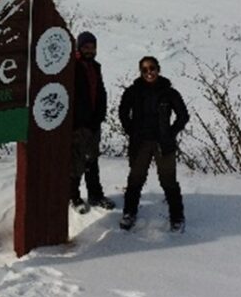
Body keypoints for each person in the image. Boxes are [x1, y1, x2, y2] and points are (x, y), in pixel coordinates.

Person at [117, 56, 189, 232]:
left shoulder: (169, 92)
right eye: (145, 70)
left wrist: (170, 134)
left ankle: (177, 216)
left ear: (158, 69)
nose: (149, 73)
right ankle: (129, 213)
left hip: (163, 144)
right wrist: (131, 131)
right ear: (141, 72)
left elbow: (183, 116)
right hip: (140, 143)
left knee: (168, 180)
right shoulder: (133, 92)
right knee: (135, 179)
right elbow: (123, 112)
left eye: (152, 68)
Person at [70, 31, 114, 213]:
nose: (90, 50)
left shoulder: (95, 67)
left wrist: (100, 116)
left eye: (92, 47)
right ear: (79, 47)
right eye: (86, 47)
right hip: (78, 125)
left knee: (92, 161)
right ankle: (73, 197)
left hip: (94, 123)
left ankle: (95, 195)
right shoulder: (71, 67)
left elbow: (100, 94)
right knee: (76, 163)